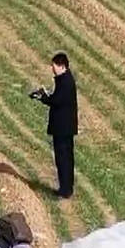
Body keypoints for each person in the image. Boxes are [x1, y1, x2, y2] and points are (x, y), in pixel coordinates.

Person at [29, 52, 77, 199]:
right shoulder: (64, 79)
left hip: (62, 128)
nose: (52, 68)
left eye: (54, 65)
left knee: (63, 158)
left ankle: (65, 190)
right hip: (66, 127)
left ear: (62, 66)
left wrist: (43, 97)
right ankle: (66, 188)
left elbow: (56, 101)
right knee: (66, 158)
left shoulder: (65, 81)